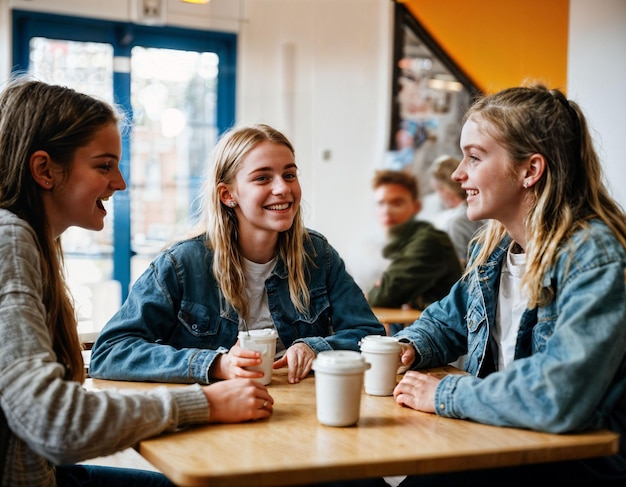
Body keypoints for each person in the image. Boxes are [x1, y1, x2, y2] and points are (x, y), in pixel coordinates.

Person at [0, 78, 275, 487]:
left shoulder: (34, 243)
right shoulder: (9, 239)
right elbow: (54, 422)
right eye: (104, 166)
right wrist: (203, 403)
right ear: (44, 169)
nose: (120, 183)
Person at [393, 84, 626, 485]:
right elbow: (445, 323)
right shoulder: (497, 250)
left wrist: (444, 395)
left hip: (568, 466)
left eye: (474, 157)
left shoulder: (594, 256)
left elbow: (558, 395)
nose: (457, 173)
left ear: (530, 171)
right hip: (500, 444)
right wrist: (408, 348)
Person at [90, 124, 384, 386]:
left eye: (289, 175)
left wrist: (315, 347)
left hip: (302, 417)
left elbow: (369, 335)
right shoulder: (182, 264)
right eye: (262, 178)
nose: (283, 188)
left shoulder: (318, 255)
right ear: (228, 195)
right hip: (214, 420)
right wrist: (216, 365)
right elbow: (111, 352)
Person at [366, 169, 462, 335]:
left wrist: (380, 288)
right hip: (422, 329)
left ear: (415, 206)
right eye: (381, 203)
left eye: (397, 203)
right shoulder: (405, 242)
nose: (387, 210)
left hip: (442, 337)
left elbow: (383, 295)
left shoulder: (428, 241)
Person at [428, 154, 486, 266]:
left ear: (445, 190)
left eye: (437, 190)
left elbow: (456, 269)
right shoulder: (480, 210)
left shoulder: (456, 223)